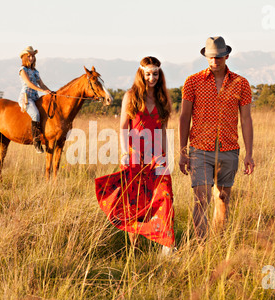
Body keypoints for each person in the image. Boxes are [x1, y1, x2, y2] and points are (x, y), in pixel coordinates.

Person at [95, 56, 175, 256]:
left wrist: (165, 156)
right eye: (148, 74)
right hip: (134, 155)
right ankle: (135, 248)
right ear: (141, 73)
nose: (152, 78)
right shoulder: (131, 96)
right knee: (136, 203)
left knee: (164, 197)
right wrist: (124, 152)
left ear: (160, 74)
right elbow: (123, 127)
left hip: (157, 156)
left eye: (155, 73)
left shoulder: (162, 98)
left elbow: (163, 130)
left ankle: (167, 245)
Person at [179, 36, 255, 240]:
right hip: (199, 149)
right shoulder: (192, 82)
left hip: (229, 149)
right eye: (211, 57)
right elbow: (184, 117)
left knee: (222, 198)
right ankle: (201, 246)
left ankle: (218, 244)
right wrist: (182, 151)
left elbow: (246, 119)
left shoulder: (241, 83)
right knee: (201, 198)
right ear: (206, 57)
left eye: (219, 57)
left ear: (227, 56)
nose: (215, 61)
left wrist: (249, 153)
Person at [18, 46, 53, 153]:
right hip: (26, 98)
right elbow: (29, 83)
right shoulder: (22, 70)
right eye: (29, 56)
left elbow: (42, 84)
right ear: (24, 57)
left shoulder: (35, 71)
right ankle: (36, 142)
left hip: (35, 97)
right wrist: (41, 90)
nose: (31, 58)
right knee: (35, 115)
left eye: (32, 56)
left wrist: (50, 92)